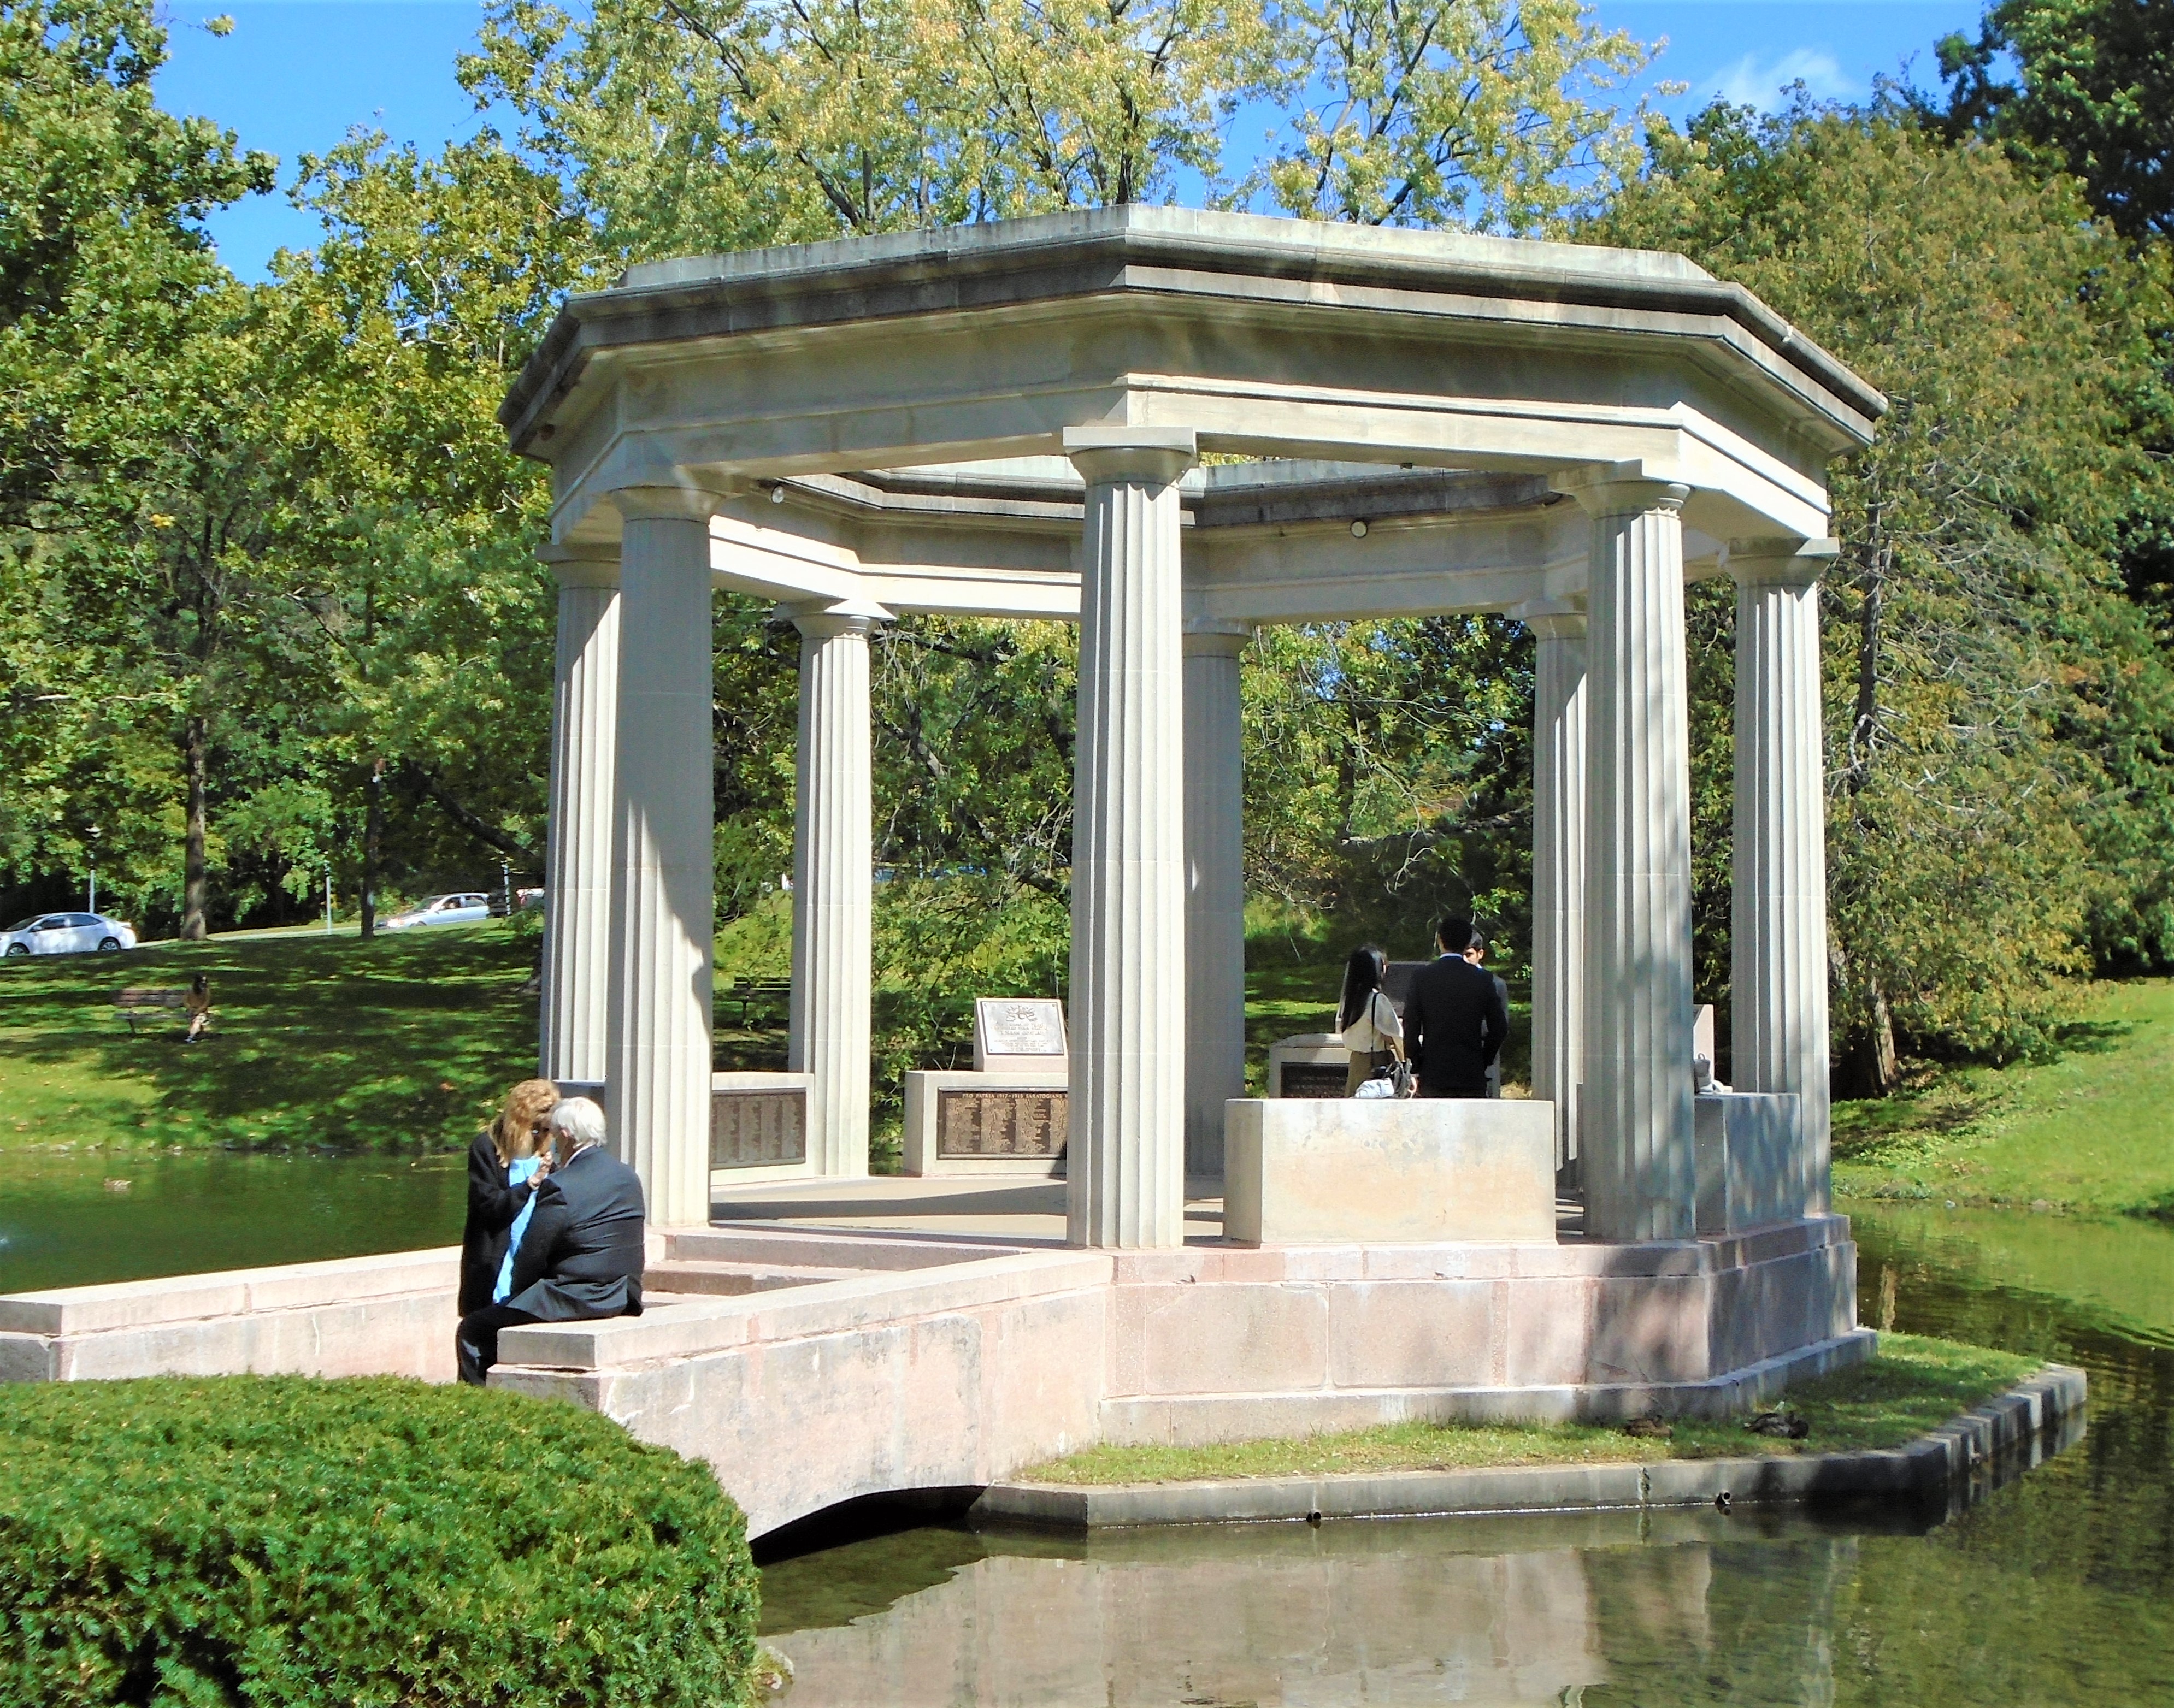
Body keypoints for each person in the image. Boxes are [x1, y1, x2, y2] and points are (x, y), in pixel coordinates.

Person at [456, 1096, 645, 1387]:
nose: (550, 1141)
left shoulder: (560, 1185)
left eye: (553, 1134)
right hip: (621, 1294)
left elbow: (532, 1256)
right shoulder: (627, 1176)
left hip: (571, 1298)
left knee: (473, 1329)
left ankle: (479, 1406)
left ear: (566, 1136)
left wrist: (516, 1298)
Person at [458, 1079, 558, 1319]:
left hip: (536, 1248)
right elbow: (489, 1207)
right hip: (496, 1253)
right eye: (540, 1119)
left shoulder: (549, 1148)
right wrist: (529, 1185)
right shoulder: (486, 1147)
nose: (544, 1129)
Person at [1404, 915, 1509, 1098]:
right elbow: (1499, 1027)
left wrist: (1417, 1063)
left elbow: (1410, 1026)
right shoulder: (1483, 979)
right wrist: (1484, 1059)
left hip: (1434, 1070)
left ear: (1440, 941)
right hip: (1471, 1071)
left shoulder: (1422, 977)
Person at [1335, 944, 1406, 1094]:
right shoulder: (1377, 1000)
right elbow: (1396, 1036)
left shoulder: (1349, 1000)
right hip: (1377, 1062)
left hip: (1356, 1062)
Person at [1463, 932, 1511, 1098]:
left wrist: (1486, 1060)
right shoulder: (1448, 983)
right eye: (1461, 954)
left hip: (1486, 1066)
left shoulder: (1496, 984)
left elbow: (1500, 1028)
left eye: (1469, 955)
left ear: (1480, 954)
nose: (1465, 960)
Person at [183, 974, 213, 1044]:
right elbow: (185, 1000)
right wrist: (190, 1008)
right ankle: (198, 1034)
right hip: (191, 1011)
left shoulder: (206, 990)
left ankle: (191, 1037)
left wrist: (199, 1010)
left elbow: (206, 1002)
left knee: (197, 1020)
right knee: (195, 1020)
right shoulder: (189, 989)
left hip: (202, 1012)